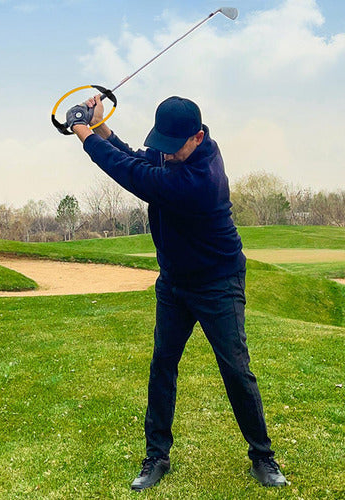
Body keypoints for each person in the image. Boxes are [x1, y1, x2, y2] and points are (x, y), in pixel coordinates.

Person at [68, 95, 289, 490]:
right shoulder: (176, 155)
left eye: (173, 148)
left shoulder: (200, 180)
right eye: (162, 146)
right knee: (162, 365)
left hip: (218, 282)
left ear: (198, 137)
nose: (165, 155)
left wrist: (84, 135)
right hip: (174, 283)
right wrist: (102, 129)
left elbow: (132, 173)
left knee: (236, 369)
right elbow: (140, 158)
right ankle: (156, 456)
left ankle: (263, 456)